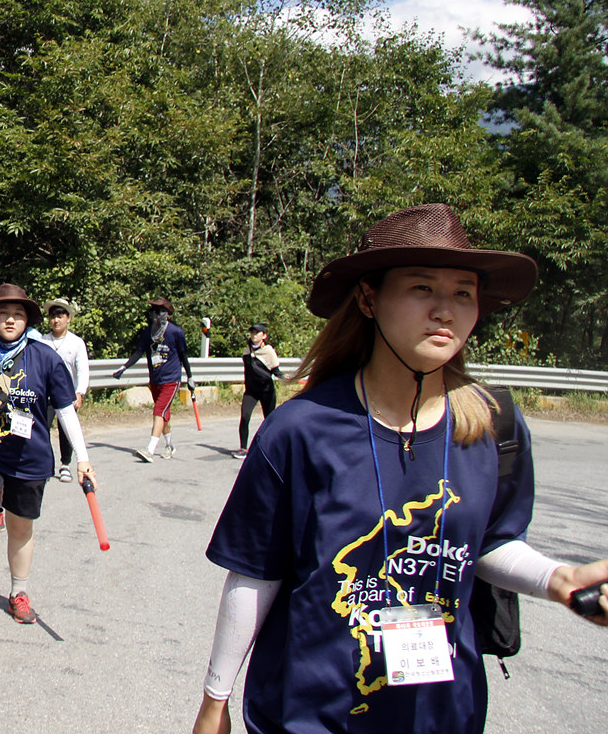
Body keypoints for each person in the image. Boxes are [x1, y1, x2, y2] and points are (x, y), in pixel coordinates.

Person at [192, 203, 608, 734]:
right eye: (421, 288)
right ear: (369, 298)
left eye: (463, 293)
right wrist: (215, 700)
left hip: (445, 713)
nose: (445, 311)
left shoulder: (492, 425)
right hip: (311, 712)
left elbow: (490, 543)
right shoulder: (300, 430)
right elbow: (255, 573)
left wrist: (561, 579)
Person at [0, 284, 96, 639]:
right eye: (2, 313)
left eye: (17, 314)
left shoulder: (45, 357)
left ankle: (19, 592)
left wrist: (83, 458)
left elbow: (65, 410)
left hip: (29, 454)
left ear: (27, 319)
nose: (10, 319)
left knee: (20, 528)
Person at [113, 297, 195, 462]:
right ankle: (170, 445)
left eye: (159, 311)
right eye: (153, 311)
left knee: (158, 411)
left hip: (171, 380)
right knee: (163, 415)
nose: (155, 315)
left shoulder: (176, 332)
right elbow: (139, 352)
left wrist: (190, 377)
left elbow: (183, 355)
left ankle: (150, 450)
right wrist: (124, 367)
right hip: (155, 379)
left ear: (167, 313)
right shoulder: (148, 332)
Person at [43, 297, 91, 481]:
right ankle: (46, 465)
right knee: (42, 429)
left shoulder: (76, 342)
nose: (56, 320)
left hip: (66, 393)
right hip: (46, 394)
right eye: (53, 316)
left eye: (60, 316)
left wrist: (80, 392)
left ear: (68, 318)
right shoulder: (43, 341)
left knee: (66, 430)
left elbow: (82, 370)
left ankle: (65, 464)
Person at [235, 323, 281, 458]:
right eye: (252, 332)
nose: (254, 335)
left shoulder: (268, 351)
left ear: (264, 336)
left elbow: (276, 370)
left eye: (257, 332)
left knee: (269, 419)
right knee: (245, 417)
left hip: (267, 390)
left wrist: (287, 378)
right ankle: (243, 449)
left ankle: (272, 447)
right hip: (251, 391)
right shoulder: (247, 351)